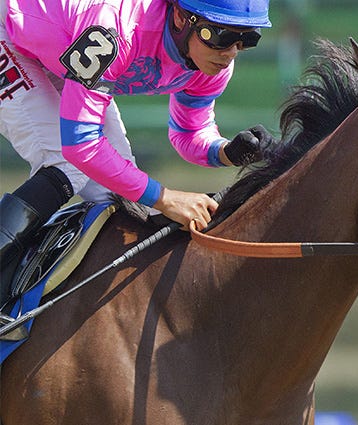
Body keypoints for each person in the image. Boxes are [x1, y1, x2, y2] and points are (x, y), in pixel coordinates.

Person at [0, 0, 274, 304]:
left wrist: (226, 151)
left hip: (60, 51)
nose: (231, 52)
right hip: (8, 34)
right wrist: (166, 198)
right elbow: (80, 146)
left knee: (116, 196)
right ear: (181, 18)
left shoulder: (212, 63)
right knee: (67, 164)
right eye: (222, 35)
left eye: (246, 38)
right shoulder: (114, 30)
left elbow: (190, 132)